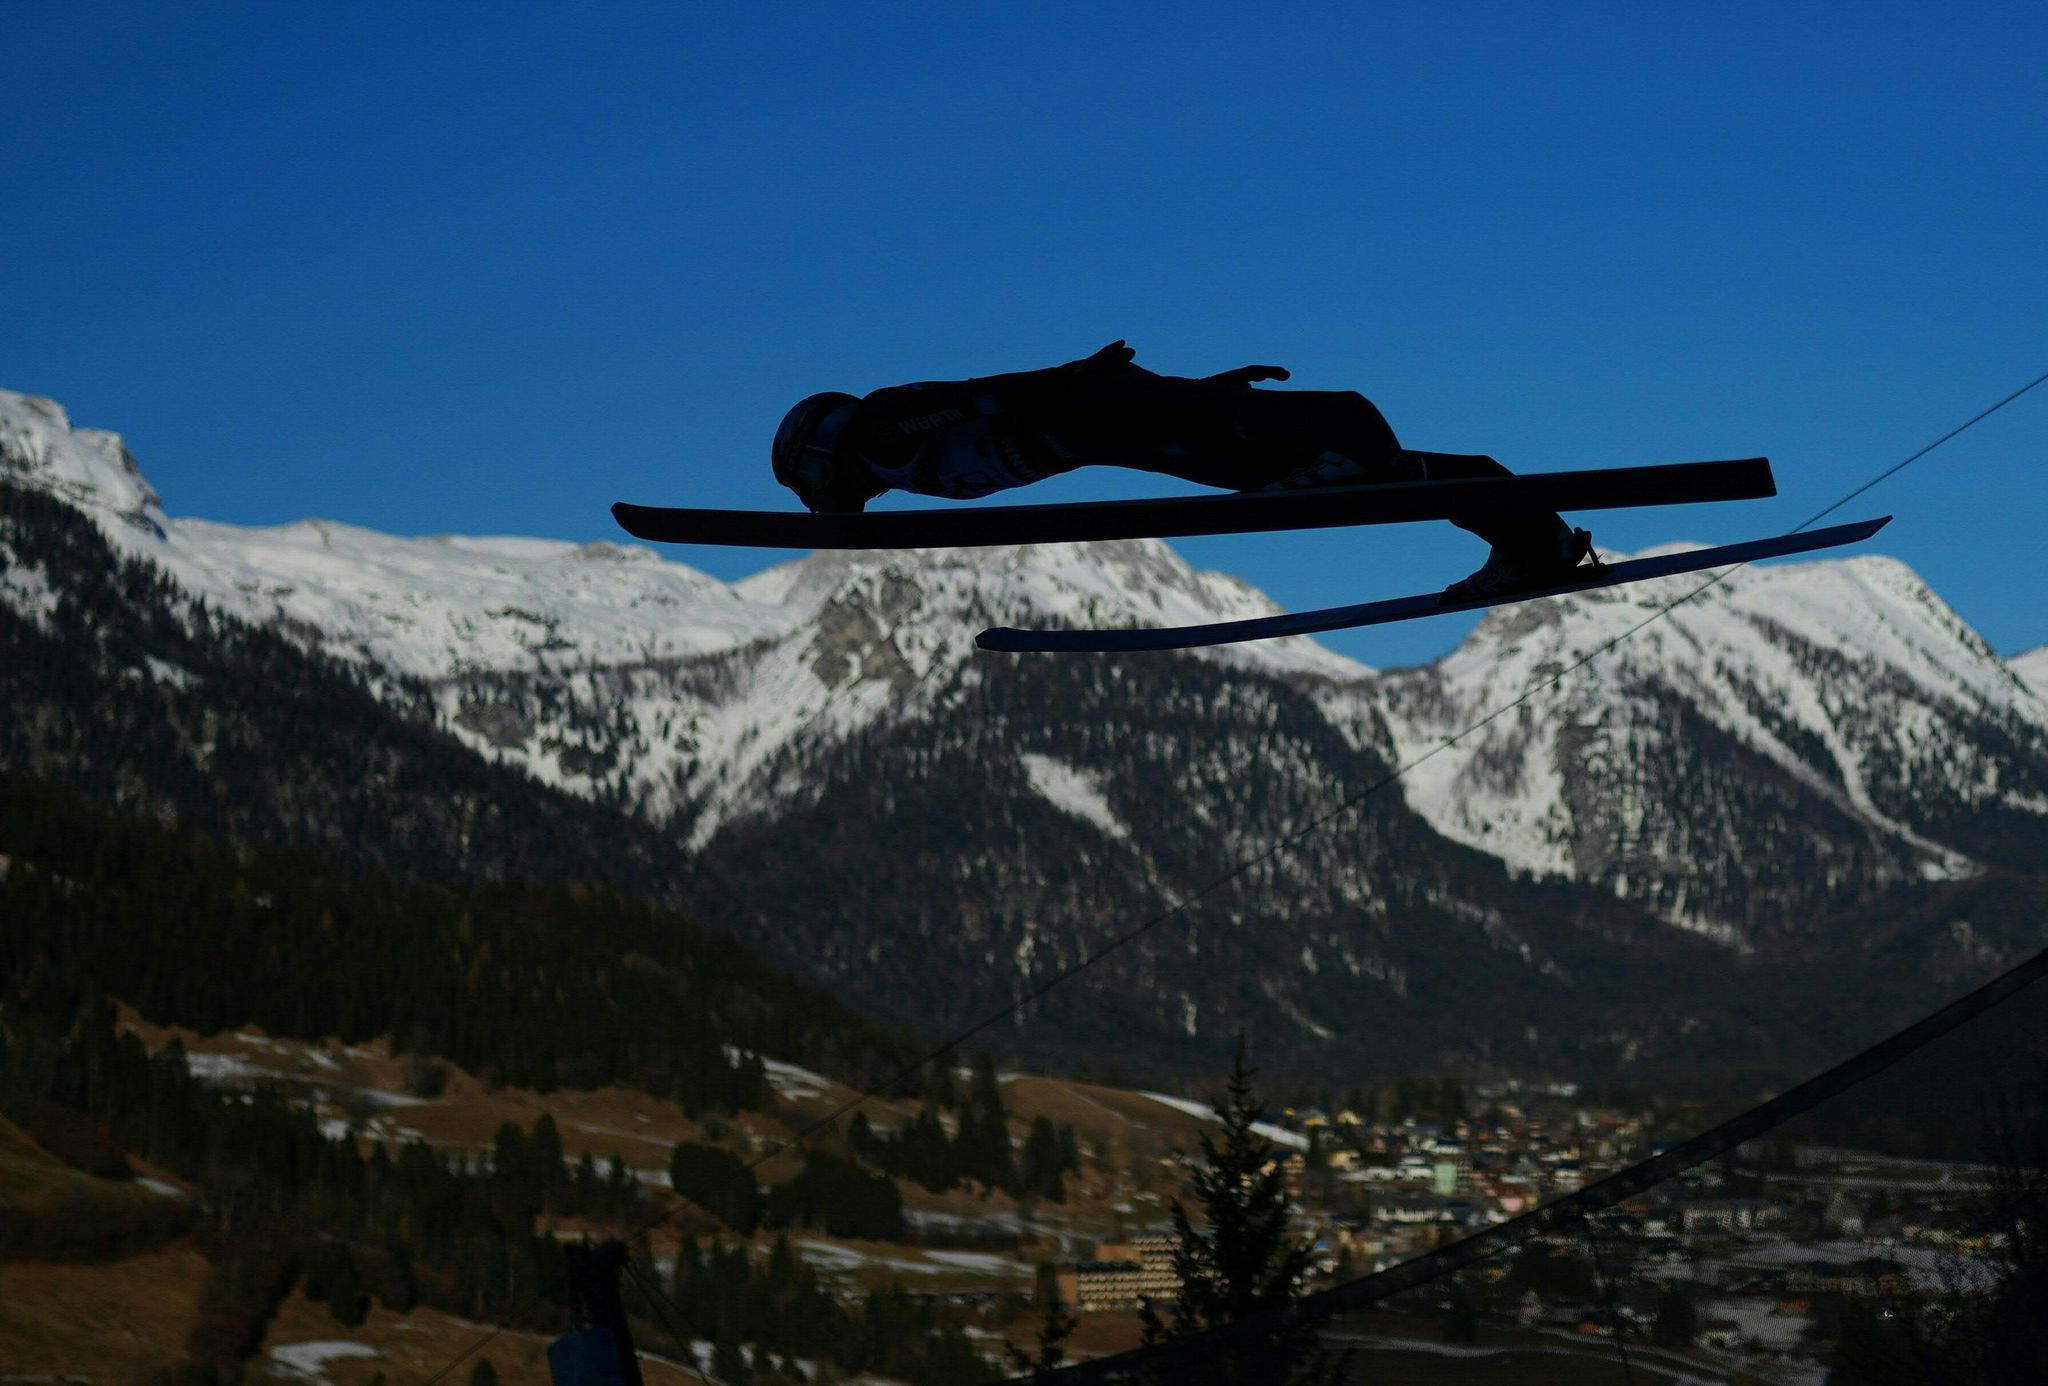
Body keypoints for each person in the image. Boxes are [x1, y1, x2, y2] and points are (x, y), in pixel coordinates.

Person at [772, 341, 1591, 598]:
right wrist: (1195, 393)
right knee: (1393, 474)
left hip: (1122, 417)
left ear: (818, 454)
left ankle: (1517, 532)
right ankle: (1537, 542)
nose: (823, 503)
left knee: (1318, 464)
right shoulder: (895, 465)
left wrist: (1075, 377)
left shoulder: (882, 425)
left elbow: (982, 395)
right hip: (1146, 430)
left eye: (810, 488)